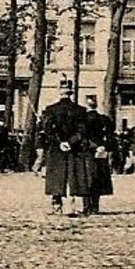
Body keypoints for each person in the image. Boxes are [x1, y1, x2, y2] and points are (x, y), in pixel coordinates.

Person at [37, 80, 84, 215]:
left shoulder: (50, 110)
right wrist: (70, 142)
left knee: (56, 175)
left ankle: (56, 205)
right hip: (74, 148)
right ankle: (72, 205)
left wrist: (59, 143)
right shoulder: (80, 111)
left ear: (59, 91)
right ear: (71, 92)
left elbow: (47, 132)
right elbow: (81, 132)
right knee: (72, 175)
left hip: (56, 149)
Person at [73, 97, 116, 216]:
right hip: (101, 151)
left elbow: (82, 137)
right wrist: (104, 146)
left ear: (86, 105)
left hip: (86, 151)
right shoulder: (104, 119)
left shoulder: (83, 120)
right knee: (98, 179)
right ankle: (95, 206)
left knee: (86, 179)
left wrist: (92, 146)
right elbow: (111, 136)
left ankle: (87, 206)